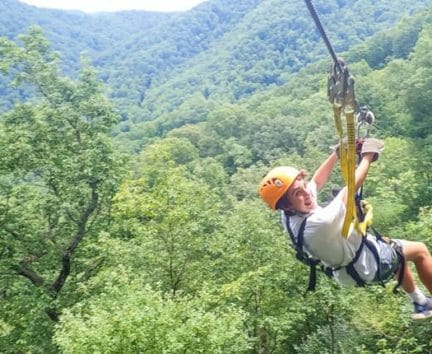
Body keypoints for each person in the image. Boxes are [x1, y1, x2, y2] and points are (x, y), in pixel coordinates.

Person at [258, 138, 432, 320]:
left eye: (302, 186)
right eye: (298, 194)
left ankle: (420, 303)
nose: (306, 194)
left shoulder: (289, 214)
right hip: (368, 264)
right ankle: (420, 301)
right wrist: (368, 156)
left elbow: (316, 181)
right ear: (287, 205)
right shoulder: (318, 223)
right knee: (420, 250)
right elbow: (350, 188)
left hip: (346, 270)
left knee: (395, 252)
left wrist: (336, 154)